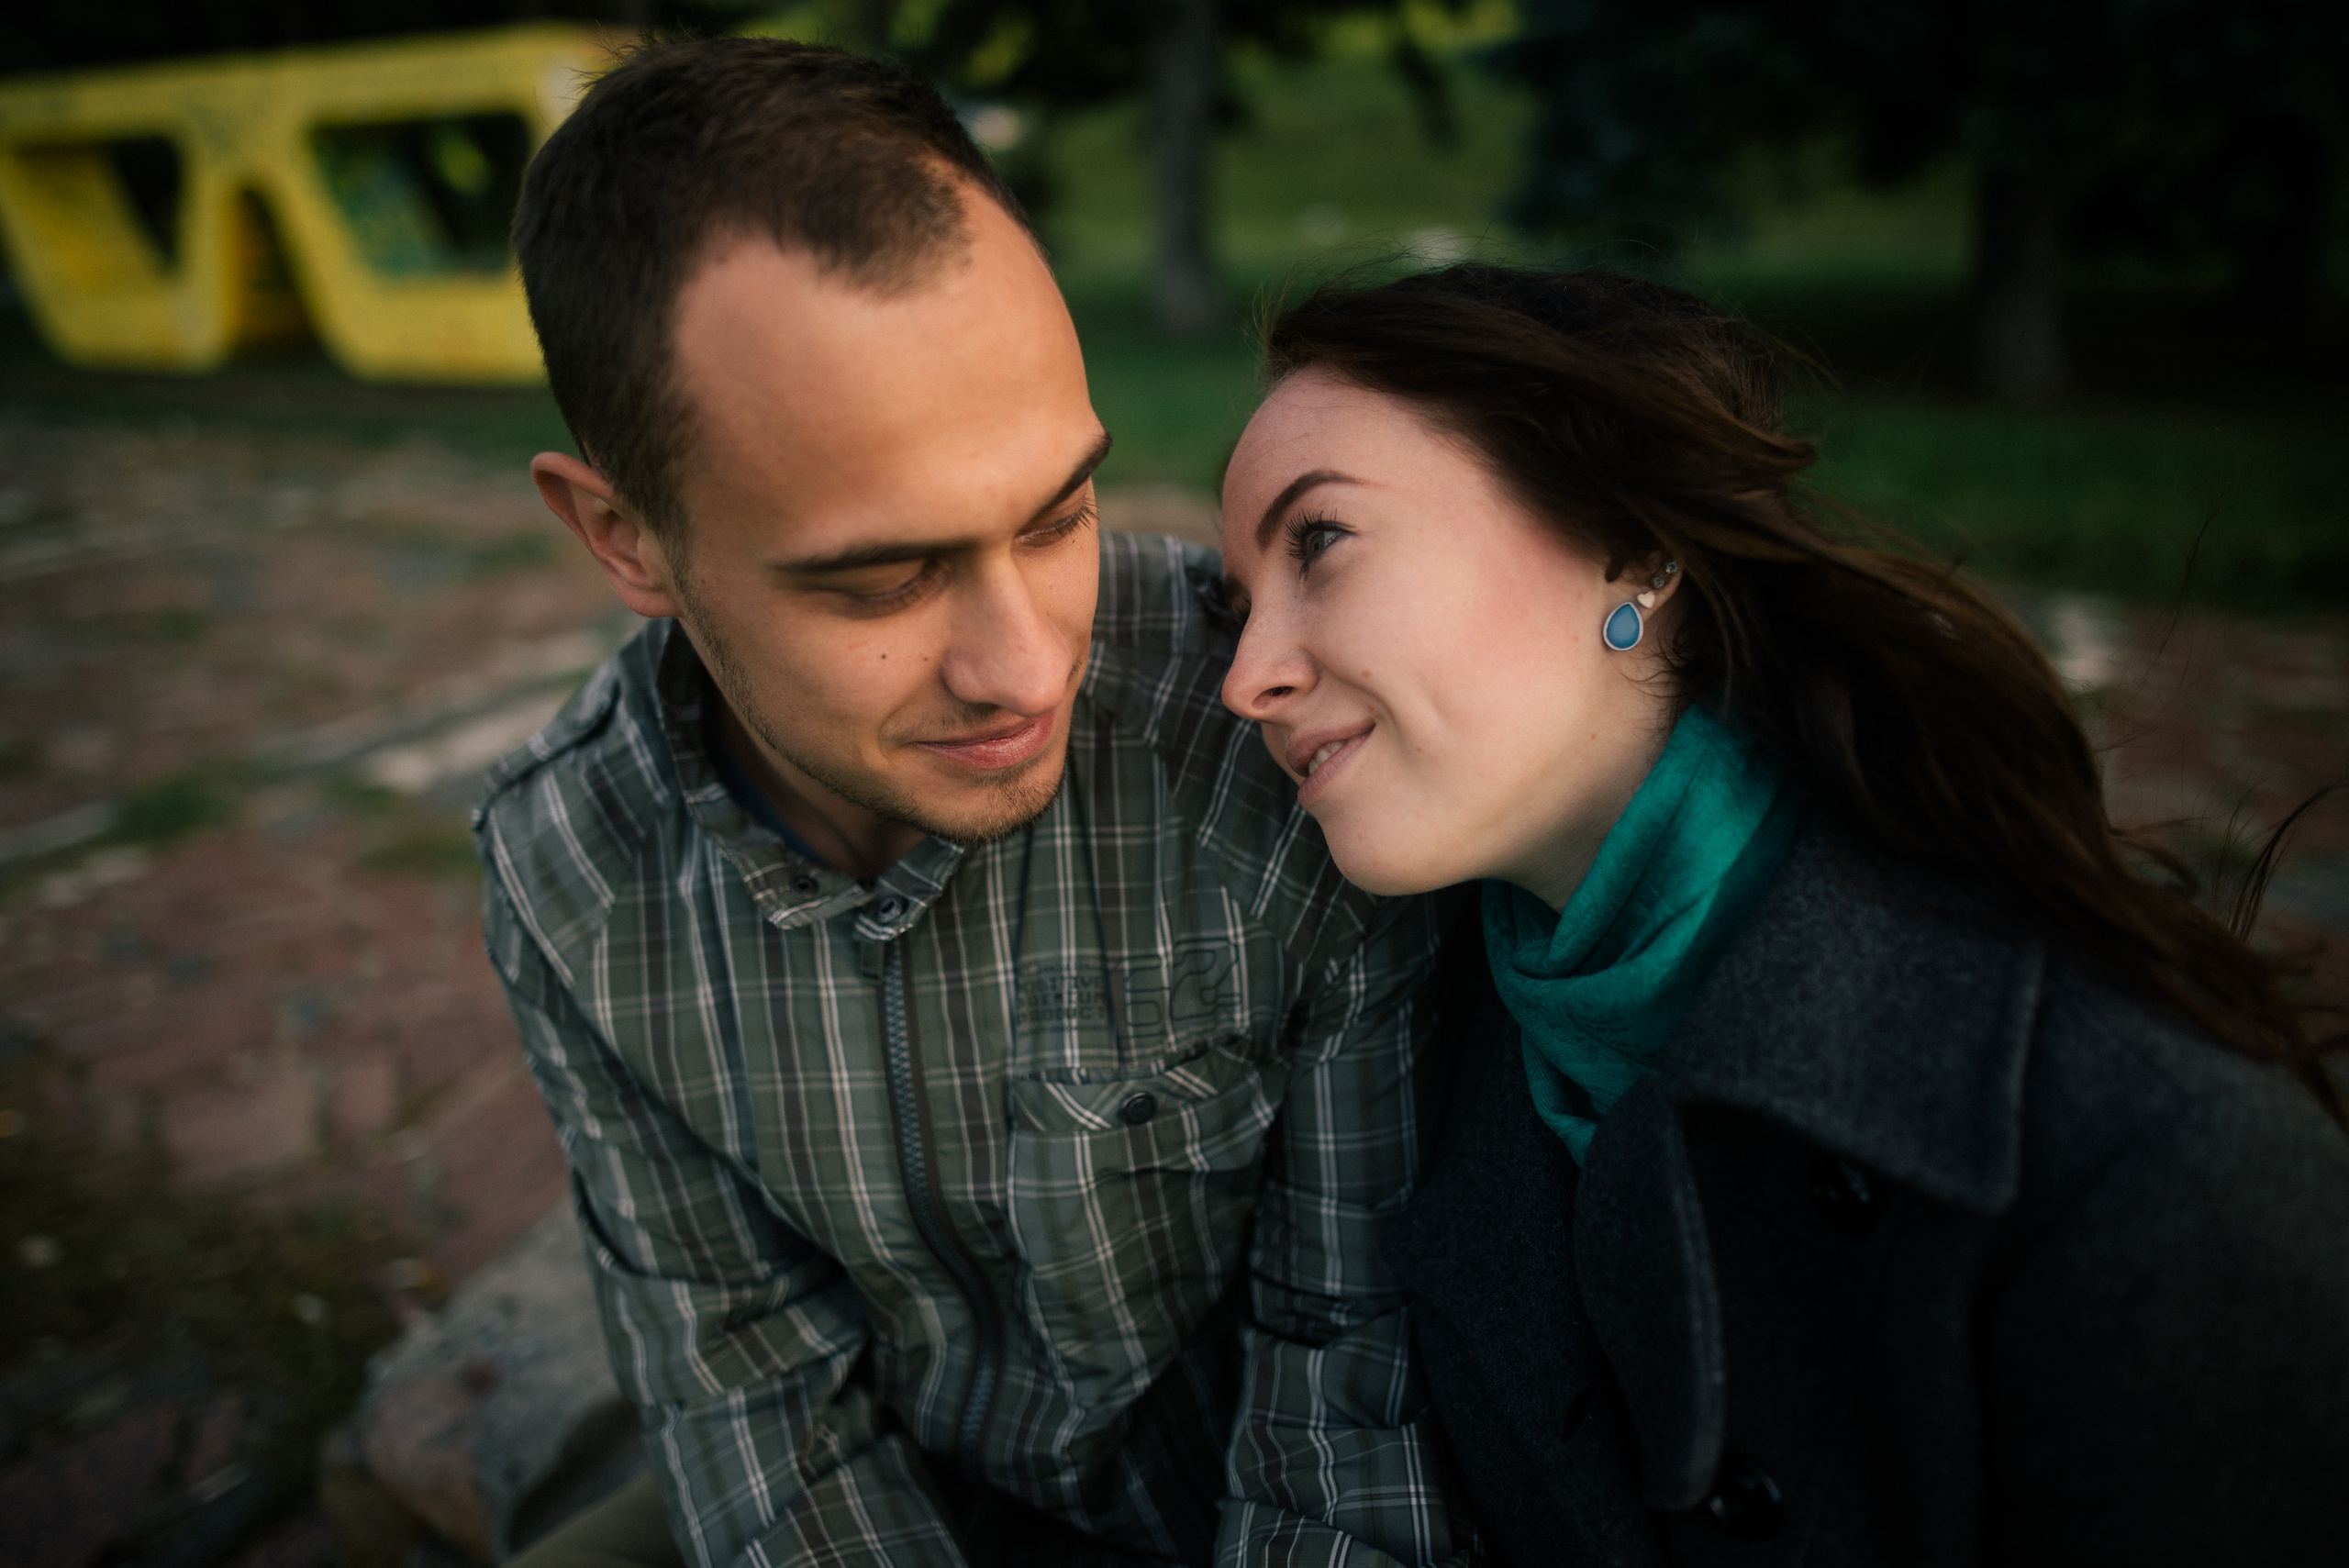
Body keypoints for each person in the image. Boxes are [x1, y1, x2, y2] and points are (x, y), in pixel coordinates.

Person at [480, 39, 1470, 1568]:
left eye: (1059, 512)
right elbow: (752, 1396)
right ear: (627, 538)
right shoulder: (569, 879)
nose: (1025, 667)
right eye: (881, 576)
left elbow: (1355, 1360)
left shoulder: (1268, 740)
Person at [1215, 262, 2349, 1566]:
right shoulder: (1415, 1057)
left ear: (1632, 545)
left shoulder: (2145, 1163)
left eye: (1321, 543)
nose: (1250, 675)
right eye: (1242, 604)